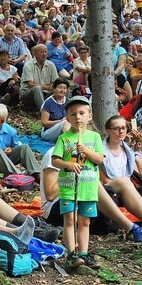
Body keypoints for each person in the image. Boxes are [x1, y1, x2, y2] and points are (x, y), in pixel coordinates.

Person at [51, 96, 105, 269]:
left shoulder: (95, 137)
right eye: (73, 114)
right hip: (68, 187)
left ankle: (83, 252)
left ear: (89, 115)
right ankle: (71, 254)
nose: (78, 117)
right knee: (69, 220)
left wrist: (87, 151)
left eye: (82, 113)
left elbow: (99, 159)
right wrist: (69, 164)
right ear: (67, 118)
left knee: (85, 221)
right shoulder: (64, 138)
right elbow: (55, 160)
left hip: (88, 188)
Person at [0, 103, 42, 178]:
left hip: (6, 161)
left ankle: (36, 174)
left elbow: (15, 146)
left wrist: (11, 149)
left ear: (2, 121)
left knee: (24, 147)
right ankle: (17, 176)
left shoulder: (10, 131)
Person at [20, 43, 59, 110]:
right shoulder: (28, 65)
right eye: (41, 52)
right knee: (37, 88)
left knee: (63, 87)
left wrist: (54, 87)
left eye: (45, 52)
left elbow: (56, 83)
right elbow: (31, 85)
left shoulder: (51, 65)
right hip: (28, 95)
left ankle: (64, 110)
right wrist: (46, 87)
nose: (44, 54)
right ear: (35, 54)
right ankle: (43, 112)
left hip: (45, 94)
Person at [40, 77, 70, 143]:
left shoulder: (68, 102)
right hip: (48, 132)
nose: (62, 90)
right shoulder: (48, 102)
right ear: (54, 89)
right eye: (60, 88)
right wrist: (60, 121)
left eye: (64, 88)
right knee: (64, 123)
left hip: (66, 128)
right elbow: (44, 123)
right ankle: (69, 145)